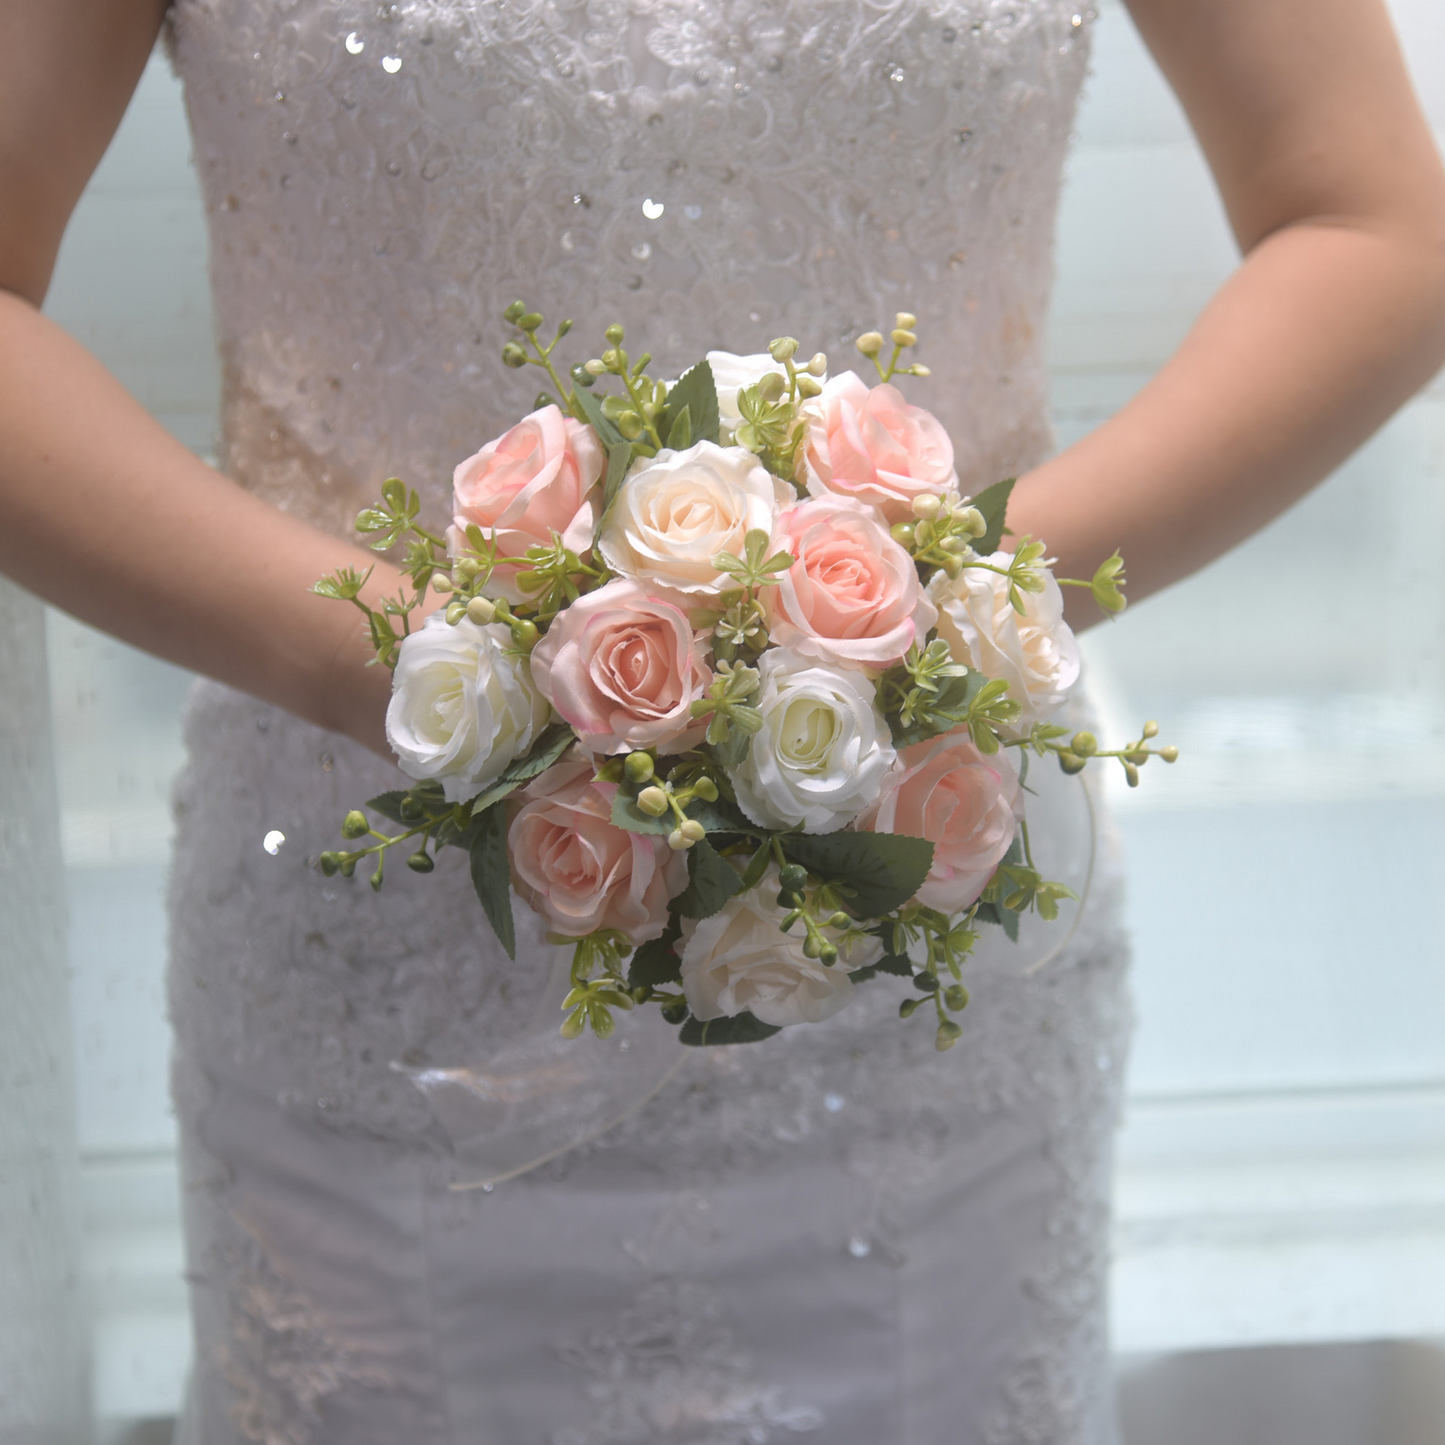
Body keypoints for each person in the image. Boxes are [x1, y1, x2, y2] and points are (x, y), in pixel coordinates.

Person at [2, 0, 1443, 1440]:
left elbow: (1373, 224)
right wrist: (422, 671)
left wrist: (931, 619)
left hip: (921, 953)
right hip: (377, 980)